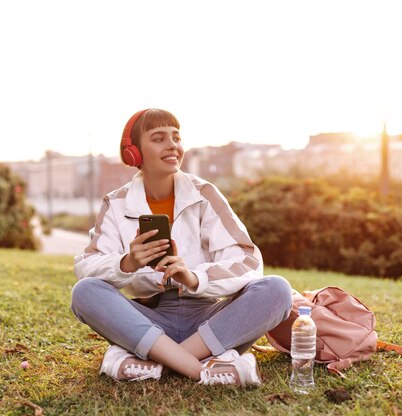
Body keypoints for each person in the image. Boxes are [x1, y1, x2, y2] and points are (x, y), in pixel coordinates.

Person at [71, 108, 292, 386]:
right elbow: (87, 265)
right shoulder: (115, 203)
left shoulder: (205, 194)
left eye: (176, 137)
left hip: (208, 321)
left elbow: (247, 261)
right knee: (85, 292)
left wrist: (193, 277)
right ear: (134, 153)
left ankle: (154, 362)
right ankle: (203, 367)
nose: (172, 145)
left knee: (277, 290)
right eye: (159, 138)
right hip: (149, 321)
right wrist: (126, 263)